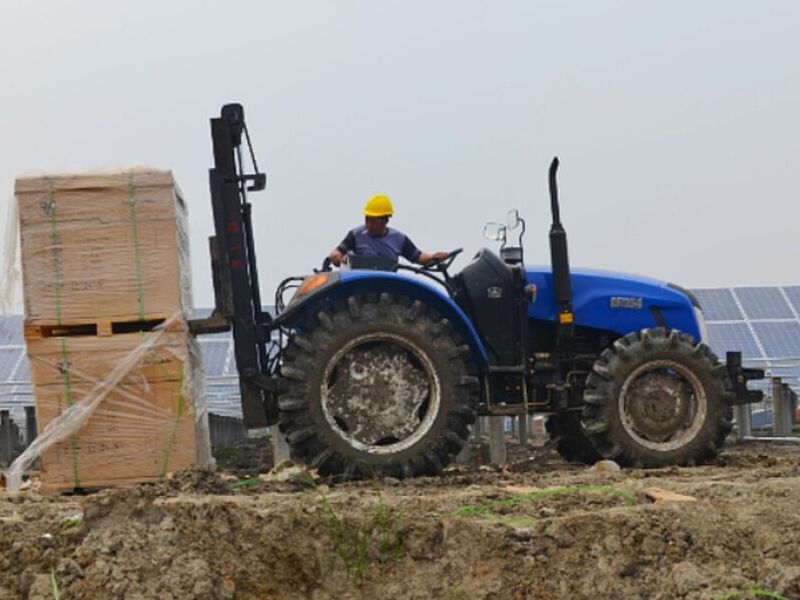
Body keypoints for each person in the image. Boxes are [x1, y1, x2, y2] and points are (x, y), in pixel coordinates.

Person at [328, 194, 450, 267]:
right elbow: (337, 252)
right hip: (360, 285)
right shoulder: (356, 235)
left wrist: (433, 257)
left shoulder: (398, 238)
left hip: (386, 287)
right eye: (367, 219)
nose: (368, 224)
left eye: (372, 221)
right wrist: (337, 257)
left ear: (385, 221)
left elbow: (418, 257)